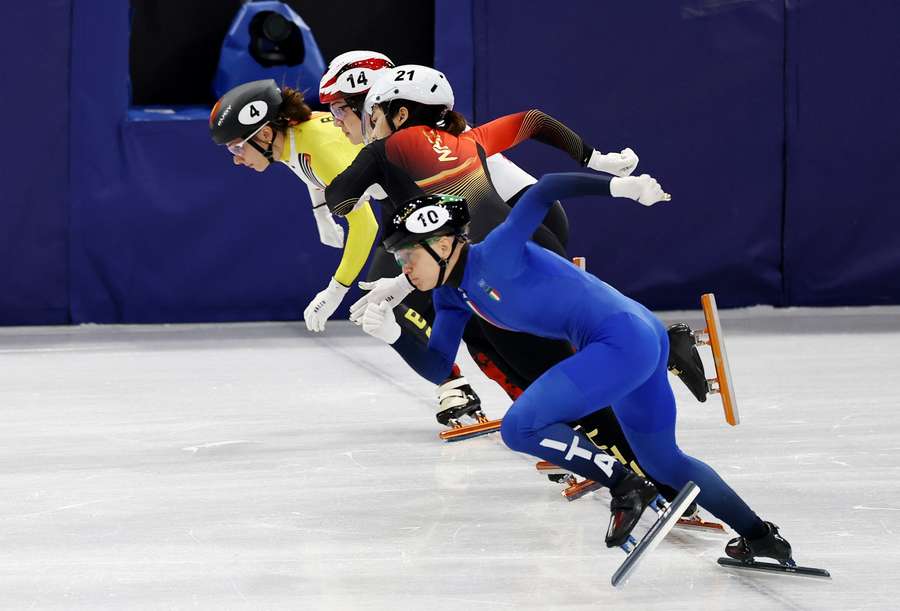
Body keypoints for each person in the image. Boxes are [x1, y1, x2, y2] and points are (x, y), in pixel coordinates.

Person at [358, 175, 794, 563]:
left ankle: (625, 486)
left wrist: (621, 186)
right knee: (665, 461)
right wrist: (395, 336)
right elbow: (438, 367)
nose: (403, 269)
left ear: (444, 244)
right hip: (638, 335)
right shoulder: (452, 298)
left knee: (519, 428)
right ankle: (761, 538)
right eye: (399, 261)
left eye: (408, 257)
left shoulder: (498, 253)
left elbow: (545, 189)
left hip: (620, 340)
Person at [209, 77, 490, 427]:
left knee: (388, 299)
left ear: (265, 134)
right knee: (400, 300)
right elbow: (311, 172)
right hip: (412, 204)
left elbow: (365, 226)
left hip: (434, 205)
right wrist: (321, 213)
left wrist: (335, 289)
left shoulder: (319, 146)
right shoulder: (293, 136)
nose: (236, 160)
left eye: (237, 148)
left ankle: (459, 382)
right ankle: (455, 379)